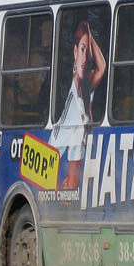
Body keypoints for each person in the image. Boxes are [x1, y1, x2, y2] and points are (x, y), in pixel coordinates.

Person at [49, 20, 106, 189]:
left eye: (87, 52)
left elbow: (102, 67)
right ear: (75, 52)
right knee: (54, 192)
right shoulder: (69, 86)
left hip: (78, 140)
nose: (85, 56)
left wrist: (90, 38)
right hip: (62, 138)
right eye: (82, 49)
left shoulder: (88, 82)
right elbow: (51, 152)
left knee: (72, 190)